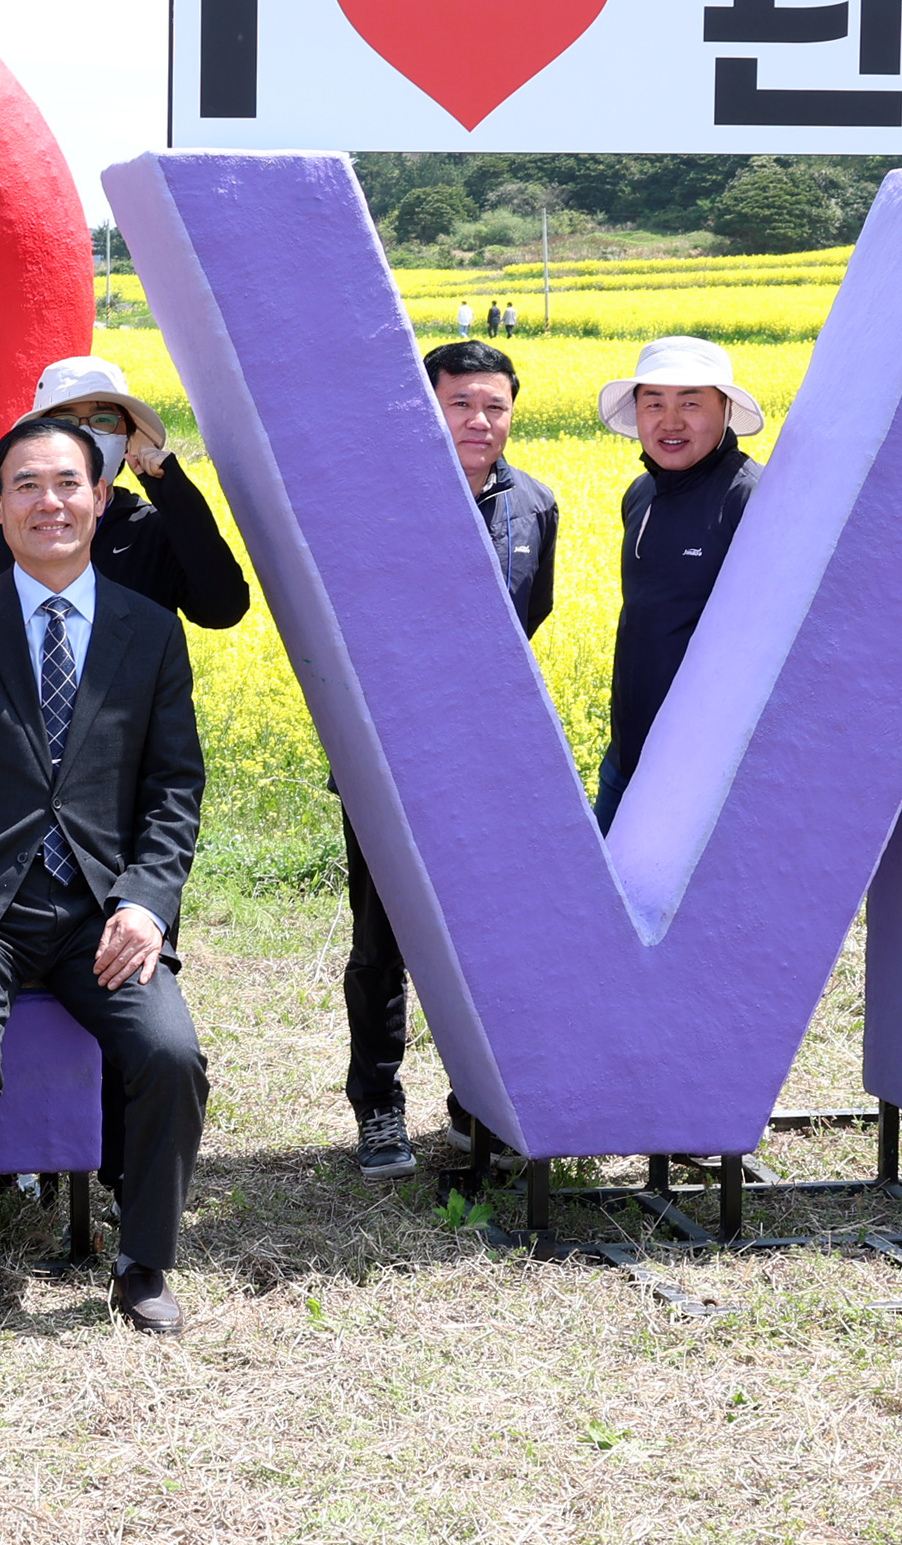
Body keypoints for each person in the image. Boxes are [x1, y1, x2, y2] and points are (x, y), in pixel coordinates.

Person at [0, 418, 209, 1337]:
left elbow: (174, 785)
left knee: (171, 1057)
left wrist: (146, 900)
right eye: (25, 485)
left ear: (100, 498)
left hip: (101, 909)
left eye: (68, 483)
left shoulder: (148, 630)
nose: (47, 502)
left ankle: (142, 1264)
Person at [341, 342, 559, 1180]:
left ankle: (478, 1105)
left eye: (494, 406)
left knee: (491, 943)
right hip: (388, 767)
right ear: (427, 407)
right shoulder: (375, 505)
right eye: (461, 403)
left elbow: (526, 622)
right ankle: (378, 1107)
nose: (479, 420)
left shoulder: (534, 505)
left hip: (493, 773)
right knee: (380, 944)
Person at [596, 335, 767, 833]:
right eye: (654, 403)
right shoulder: (640, 494)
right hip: (626, 756)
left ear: (726, 409)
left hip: (703, 776)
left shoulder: (751, 499)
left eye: (690, 403)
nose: (670, 422)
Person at [0, 357, 247, 632]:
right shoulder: (1, 529)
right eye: (66, 422)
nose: (86, 433)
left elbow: (222, 610)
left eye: (103, 420)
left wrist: (174, 495)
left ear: (127, 438)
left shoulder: (149, 528)